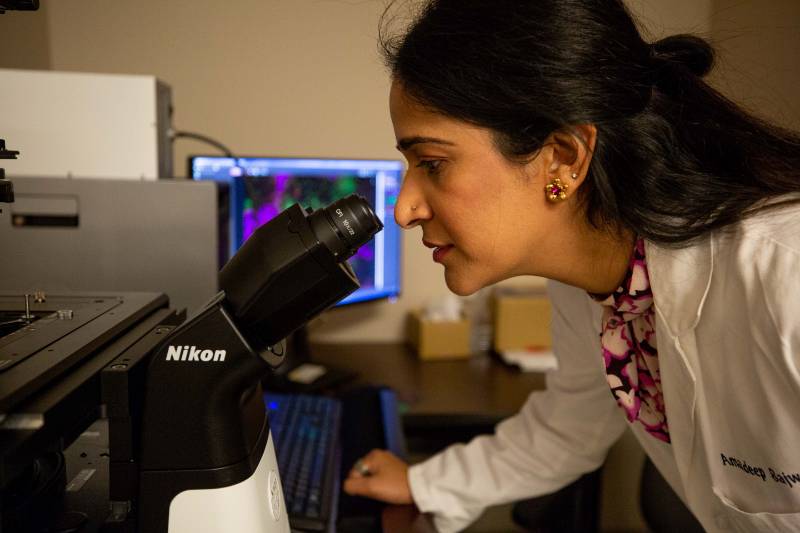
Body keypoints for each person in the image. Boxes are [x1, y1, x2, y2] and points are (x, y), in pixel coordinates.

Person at [343, 0, 800, 531]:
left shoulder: (785, 278)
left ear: (563, 157)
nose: (404, 209)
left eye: (433, 164)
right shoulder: (602, 290)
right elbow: (570, 428)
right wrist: (424, 484)